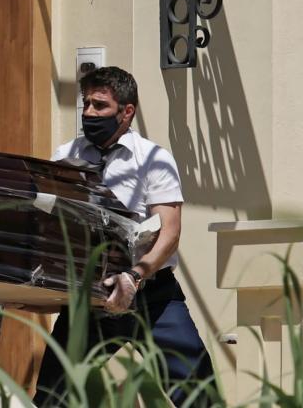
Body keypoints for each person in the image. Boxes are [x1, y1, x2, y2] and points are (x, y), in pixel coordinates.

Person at [33, 66, 214, 406]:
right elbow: (49, 225)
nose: (88, 113)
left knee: (199, 395)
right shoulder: (64, 156)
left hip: (151, 296)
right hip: (89, 297)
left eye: (99, 106)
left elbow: (169, 231)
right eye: (86, 104)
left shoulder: (153, 160)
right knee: (51, 398)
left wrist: (135, 276)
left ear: (126, 112)